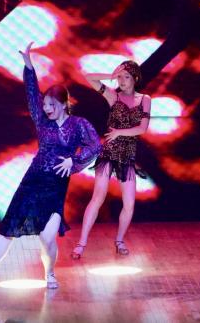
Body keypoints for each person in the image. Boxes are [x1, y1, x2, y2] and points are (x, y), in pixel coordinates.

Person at [0, 43, 101, 292]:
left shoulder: (78, 124)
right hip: (32, 181)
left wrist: (74, 161)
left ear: (63, 104)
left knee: (47, 237)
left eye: (51, 105)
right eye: (45, 105)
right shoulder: (42, 120)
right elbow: (31, 93)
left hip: (55, 188)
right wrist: (29, 66)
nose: (46, 109)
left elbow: (95, 145)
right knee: (8, 230)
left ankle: (49, 273)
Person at [73, 59, 150, 258]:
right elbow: (88, 77)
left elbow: (142, 128)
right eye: (120, 77)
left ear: (135, 78)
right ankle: (81, 243)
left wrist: (119, 132)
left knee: (129, 204)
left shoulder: (144, 99)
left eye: (126, 76)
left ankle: (119, 240)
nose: (122, 80)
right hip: (108, 153)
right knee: (98, 197)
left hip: (127, 155)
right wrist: (111, 75)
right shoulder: (113, 96)